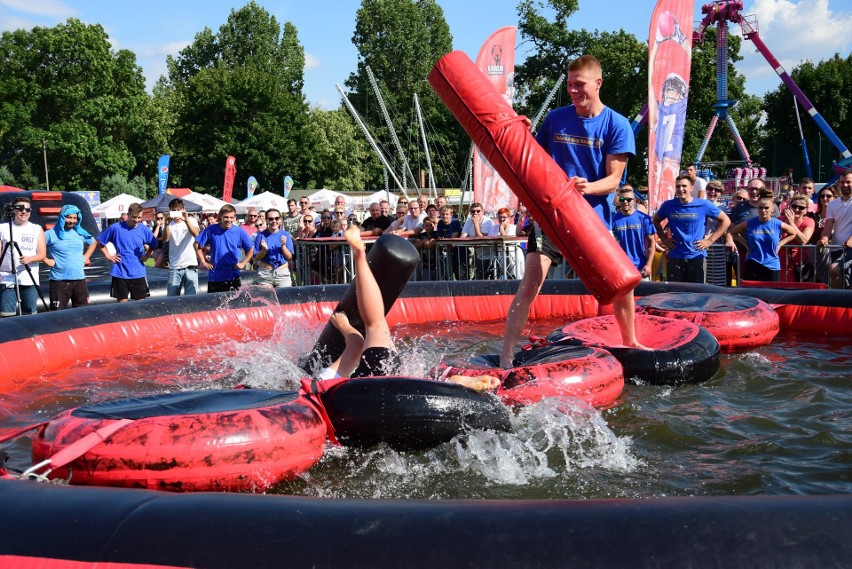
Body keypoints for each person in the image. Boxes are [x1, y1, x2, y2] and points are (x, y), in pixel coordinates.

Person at [500, 54, 645, 368]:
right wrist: (521, 133)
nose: (574, 91)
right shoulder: (555, 118)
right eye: (570, 85)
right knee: (530, 282)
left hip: (590, 220)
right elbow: (532, 158)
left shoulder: (616, 124)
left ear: (598, 83)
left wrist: (585, 188)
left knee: (622, 284)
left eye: (580, 84)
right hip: (550, 216)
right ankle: (506, 353)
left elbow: (613, 181)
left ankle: (630, 341)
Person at [317, 226, 501, 392]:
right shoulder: (324, 379)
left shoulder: (323, 385)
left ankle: (450, 383)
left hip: (370, 390)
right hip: (378, 370)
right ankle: (359, 255)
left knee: (411, 386)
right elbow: (356, 344)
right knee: (375, 323)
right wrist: (345, 326)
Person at [653, 175, 731, 283]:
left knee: (696, 295)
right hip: (675, 255)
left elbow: (726, 221)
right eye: (678, 186)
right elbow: (655, 220)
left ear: (691, 188)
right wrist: (664, 239)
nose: (681, 189)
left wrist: (709, 241)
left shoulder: (704, 204)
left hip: (696, 255)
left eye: (684, 186)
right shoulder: (668, 205)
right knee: (676, 294)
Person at [728, 189, 806, 282]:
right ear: (757, 208)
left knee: (771, 295)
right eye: (760, 208)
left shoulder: (777, 223)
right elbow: (733, 233)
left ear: (772, 208)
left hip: (772, 265)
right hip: (753, 262)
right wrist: (746, 244)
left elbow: (793, 233)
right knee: (751, 294)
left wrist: (780, 244)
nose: (763, 211)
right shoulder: (750, 223)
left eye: (766, 208)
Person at [96, 202, 157, 303]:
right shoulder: (115, 228)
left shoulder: (144, 229)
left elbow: (154, 244)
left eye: (139, 217)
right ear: (128, 214)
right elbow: (100, 242)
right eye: (134, 217)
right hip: (120, 272)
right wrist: (108, 256)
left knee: (141, 305)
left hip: (138, 273)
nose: (136, 220)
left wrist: (147, 255)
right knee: (122, 305)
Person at [43, 205, 97, 310]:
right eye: (69, 217)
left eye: (74, 218)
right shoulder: (50, 234)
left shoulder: (80, 232)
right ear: (62, 217)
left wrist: (85, 257)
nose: (72, 221)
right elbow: (36, 248)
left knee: (83, 312)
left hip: (79, 279)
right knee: (57, 315)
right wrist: (46, 260)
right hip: (59, 280)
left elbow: (93, 242)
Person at [1, 197, 46, 316]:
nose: (24, 212)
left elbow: (42, 254)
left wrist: (30, 258)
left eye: (27, 209)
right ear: (14, 210)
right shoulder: (3, 228)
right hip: (7, 278)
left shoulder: (36, 229)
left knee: (30, 314)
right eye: (20, 208)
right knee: (6, 314)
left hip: (28, 278)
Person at [195, 204, 254, 293]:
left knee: (233, 305)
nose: (229, 220)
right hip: (215, 276)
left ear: (234, 218)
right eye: (226, 217)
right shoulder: (211, 229)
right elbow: (197, 245)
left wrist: (243, 263)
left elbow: (250, 249)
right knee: (215, 305)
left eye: (231, 217)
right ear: (220, 216)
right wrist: (203, 261)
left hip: (233, 276)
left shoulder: (239, 231)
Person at [612, 187, 656, 280]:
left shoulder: (644, 218)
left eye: (628, 199)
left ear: (634, 201)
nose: (625, 202)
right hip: (621, 269)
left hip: (640, 268)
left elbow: (652, 242)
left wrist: (648, 265)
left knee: (643, 295)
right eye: (622, 199)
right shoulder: (612, 221)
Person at [818, 170, 852, 288]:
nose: (845, 185)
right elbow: (828, 226)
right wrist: (824, 239)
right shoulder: (833, 204)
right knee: (841, 278)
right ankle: (841, 303)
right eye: (842, 182)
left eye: (848, 182)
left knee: (834, 270)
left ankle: (840, 301)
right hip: (836, 248)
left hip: (850, 250)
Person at [163, 198, 200, 296]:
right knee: (172, 298)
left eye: (178, 210)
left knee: (191, 297)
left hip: (190, 265)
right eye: (173, 210)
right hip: (175, 266)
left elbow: (196, 234)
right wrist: (166, 223)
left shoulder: (191, 220)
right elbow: (165, 239)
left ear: (183, 209)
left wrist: (186, 220)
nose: (176, 213)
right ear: (170, 211)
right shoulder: (169, 223)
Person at [779, 193, 816, 282]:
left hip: (797, 265)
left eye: (801, 207)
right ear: (789, 207)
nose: (797, 209)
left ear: (806, 210)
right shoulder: (779, 220)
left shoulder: (809, 221)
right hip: (780, 263)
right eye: (794, 206)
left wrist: (791, 223)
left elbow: (803, 240)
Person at [253, 207, 294, 288]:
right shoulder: (260, 236)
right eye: (271, 219)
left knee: (285, 299)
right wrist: (264, 250)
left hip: (282, 273)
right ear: (266, 220)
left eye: (276, 218)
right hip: (265, 273)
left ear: (280, 220)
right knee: (265, 300)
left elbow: (289, 257)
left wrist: (283, 246)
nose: (274, 221)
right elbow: (256, 257)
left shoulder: (285, 234)